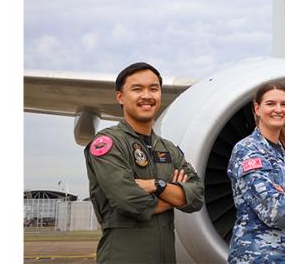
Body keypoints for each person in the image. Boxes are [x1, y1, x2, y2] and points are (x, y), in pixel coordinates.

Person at [85, 62, 205, 263]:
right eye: (137, 89)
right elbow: (128, 201)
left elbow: (197, 196)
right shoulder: (108, 143)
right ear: (120, 97)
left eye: (154, 89)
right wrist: (174, 195)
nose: (147, 96)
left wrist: (155, 185)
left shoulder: (168, 149)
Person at [227, 82, 285, 263]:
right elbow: (275, 211)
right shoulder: (247, 150)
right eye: (271, 103)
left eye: (284, 104)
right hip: (256, 257)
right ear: (257, 108)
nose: (278, 109)